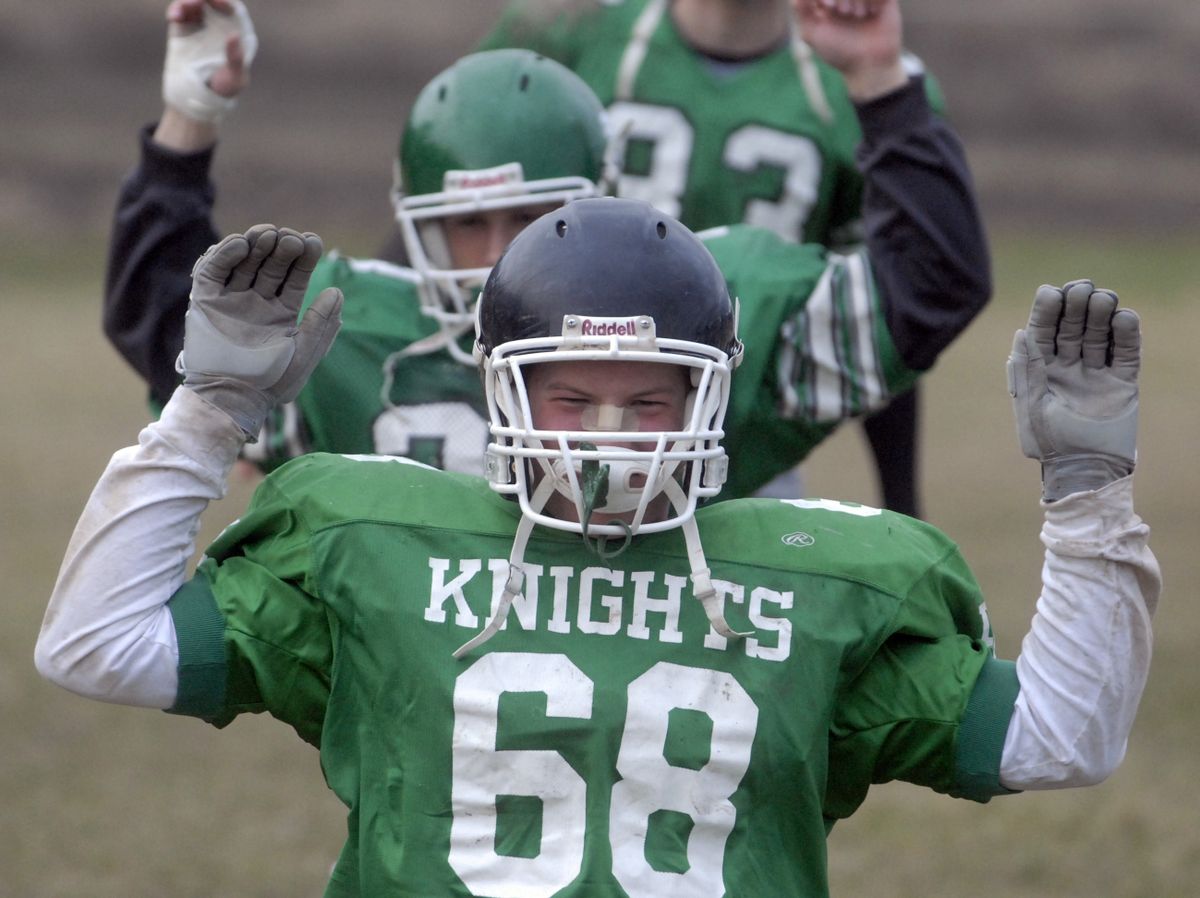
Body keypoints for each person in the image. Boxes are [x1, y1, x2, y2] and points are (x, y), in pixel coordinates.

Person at [37, 203, 1157, 894]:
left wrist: (1088, 492)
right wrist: (206, 410)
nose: (610, 434)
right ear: (503, 389)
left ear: (710, 397)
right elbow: (91, 644)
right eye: (570, 396)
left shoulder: (820, 577)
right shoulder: (369, 541)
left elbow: (1063, 737)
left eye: (647, 397)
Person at [103, 0, 989, 499]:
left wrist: (878, 80)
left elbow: (924, 291)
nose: (498, 257)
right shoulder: (360, 327)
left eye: (532, 219)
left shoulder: (705, 329)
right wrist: (190, 121)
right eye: (466, 225)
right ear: (414, 223)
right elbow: (161, 327)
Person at [478, 0, 946, 514]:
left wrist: (901, 498)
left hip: (740, 418)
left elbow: (870, 315)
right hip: (552, 406)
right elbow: (455, 214)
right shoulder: (570, 30)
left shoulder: (861, 80)